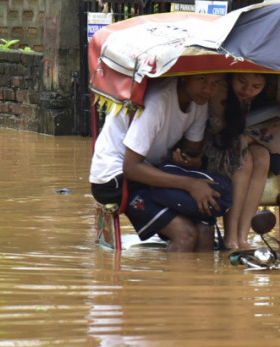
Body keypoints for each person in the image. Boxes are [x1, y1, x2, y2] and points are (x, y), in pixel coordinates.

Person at [89, 73, 227, 252]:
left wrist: (193, 161)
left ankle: (198, 279)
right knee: (185, 234)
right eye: (202, 80)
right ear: (184, 77)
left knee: (204, 227)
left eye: (215, 82)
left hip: (150, 171)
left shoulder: (199, 102)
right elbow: (131, 168)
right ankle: (173, 279)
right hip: (116, 176)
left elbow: (191, 150)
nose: (209, 89)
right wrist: (191, 184)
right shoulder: (157, 102)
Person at [202, 72, 274, 250]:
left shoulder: (256, 98)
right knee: (245, 159)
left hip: (237, 143)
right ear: (231, 77)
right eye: (242, 81)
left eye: (256, 87)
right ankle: (231, 237)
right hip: (212, 148)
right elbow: (223, 133)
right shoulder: (220, 91)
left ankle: (243, 236)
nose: (247, 90)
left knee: (262, 156)